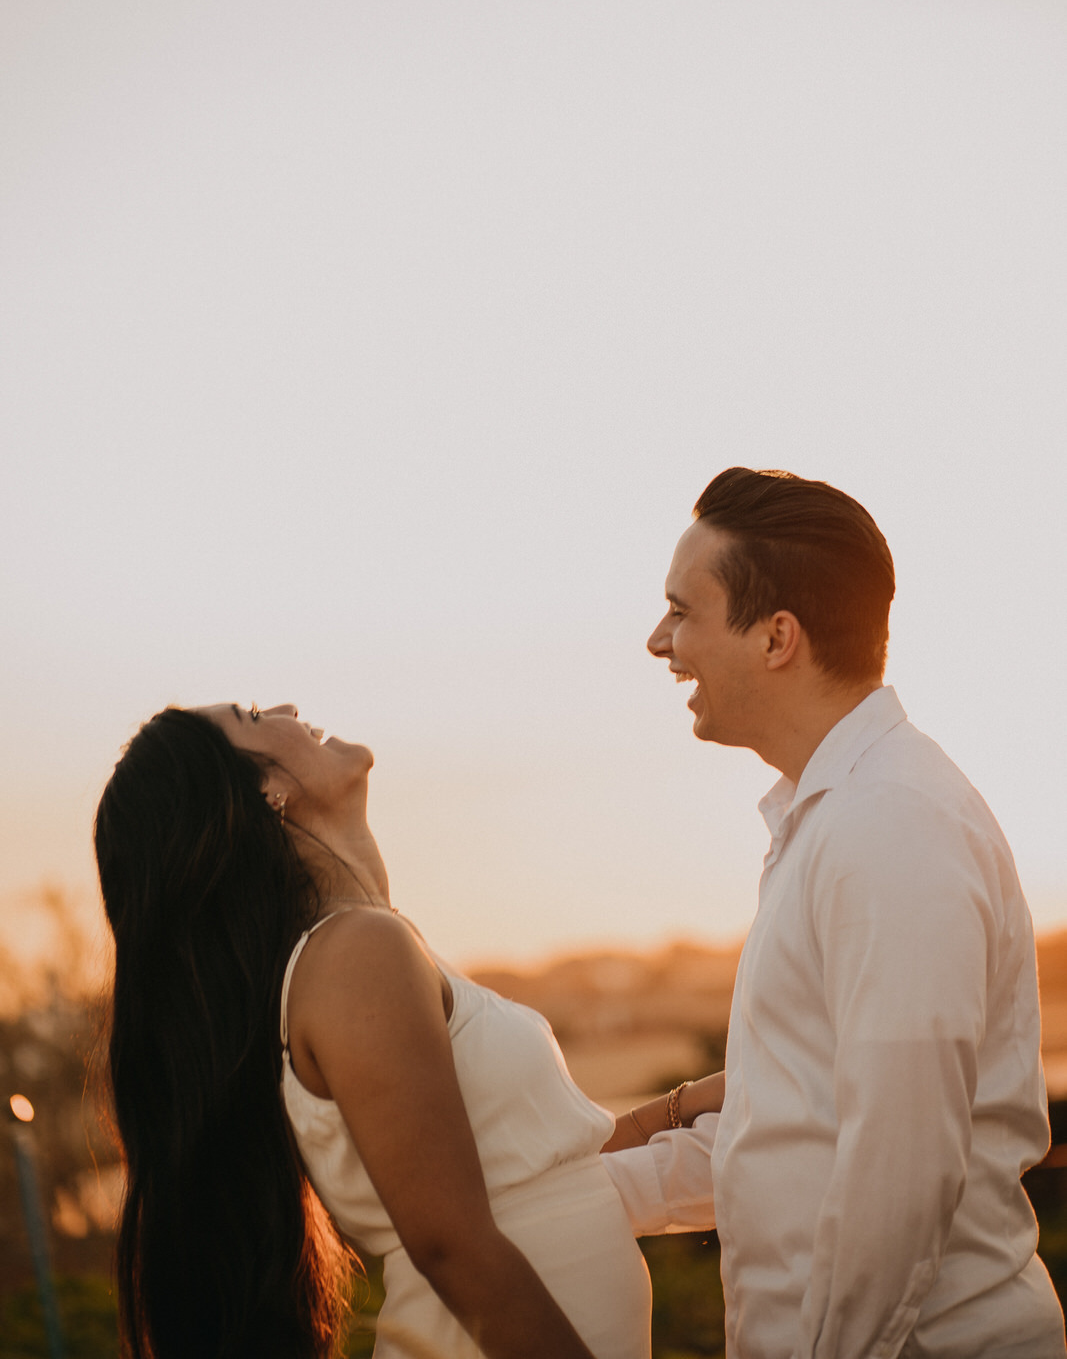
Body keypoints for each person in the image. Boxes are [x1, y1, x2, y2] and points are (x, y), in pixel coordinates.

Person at [93, 699, 723, 1359]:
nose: (285, 707)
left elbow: (531, 1174)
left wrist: (679, 1107)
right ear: (266, 791)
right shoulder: (356, 954)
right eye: (252, 716)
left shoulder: (371, 946)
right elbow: (451, 1243)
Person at [607, 466, 1066, 1357]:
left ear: (776, 637)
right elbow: (786, 1134)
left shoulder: (890, 823)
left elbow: (900, 1169)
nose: (660, 642)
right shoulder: (831, 817)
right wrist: (531, 1198)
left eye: (682, 612)